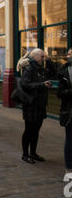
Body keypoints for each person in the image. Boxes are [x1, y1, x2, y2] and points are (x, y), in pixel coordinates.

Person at [20, 48, 54, 164]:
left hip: (40, 104)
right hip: (30, 104)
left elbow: (53, 73)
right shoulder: (29, 69)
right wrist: (42, 85)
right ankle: (25, 154)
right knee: (29, 130)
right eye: (42, 57)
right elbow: (25, 85)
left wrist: (49, 61)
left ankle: (33, 153)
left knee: (36, 130)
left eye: (44, 57)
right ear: (35, 57)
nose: (43, 58)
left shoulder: (41, 68)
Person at [57, 48, 72, 178]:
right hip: (70, 111)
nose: (69, 56)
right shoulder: (64, 72)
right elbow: (59, 93)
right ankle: (69, 168)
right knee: (70, 139)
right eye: (69, 54)